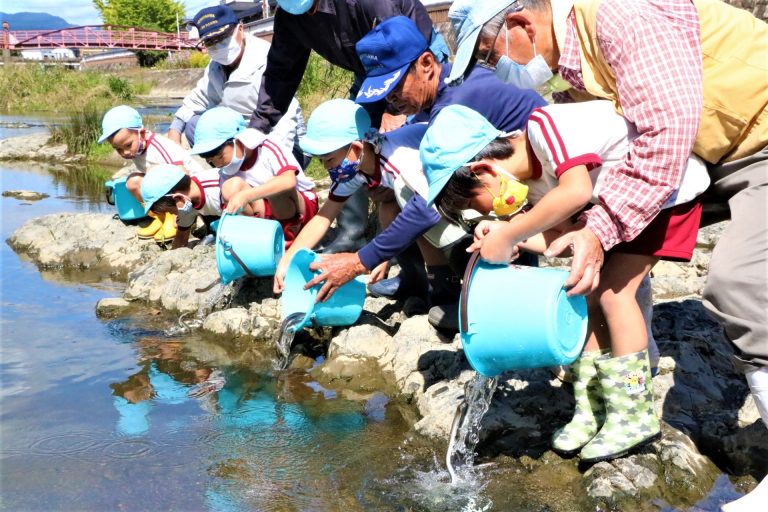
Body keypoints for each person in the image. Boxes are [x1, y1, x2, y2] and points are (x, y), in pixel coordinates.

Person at [447, 0, 768, 482]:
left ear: (520, 24)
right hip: (698, 162)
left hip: (728, 155)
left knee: (714, 285)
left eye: (491, 56)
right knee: (592, 290)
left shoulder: (617, 16)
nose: (495, 71)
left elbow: (664, 134)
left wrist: (575, 229)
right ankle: (599, 405)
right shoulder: (575, 77)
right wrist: (517, 238)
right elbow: (563, 228)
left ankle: (633, 410)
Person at [422, 102, 710, 462]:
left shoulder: (545, 127)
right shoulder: (531, 188)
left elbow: (574, 192)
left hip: (665, 195)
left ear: (482, 169)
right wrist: (508, 236)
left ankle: (634, 412)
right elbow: (559, 239)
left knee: (614, 294)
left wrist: (509, 233)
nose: (485, 211)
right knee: (582, 290)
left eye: (475, 201)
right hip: (616, 213)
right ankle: (593, 407)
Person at [344, 14, 546, 328]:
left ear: (426, 63)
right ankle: (456, 285)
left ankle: (504, 293)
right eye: (386, 94)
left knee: (425, 192)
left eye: (396, 87)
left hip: (547, 186)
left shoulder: (455, 105)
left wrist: (360, 261)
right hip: (528, 186)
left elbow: (426, 208)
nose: (393, 100)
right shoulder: (454, 83)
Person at [250, 0, 451, 255]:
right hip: (370, 74)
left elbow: (399, 37)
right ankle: (353, 233)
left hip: (413, 63)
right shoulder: (290, 17)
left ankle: (424, 247)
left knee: (415, 153)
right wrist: (258, 127)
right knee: (350, 141)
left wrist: (392, 111)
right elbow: (281, 71)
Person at [273, 98, 466, 311]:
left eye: (328, 159)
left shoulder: (397, 160)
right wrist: (288, 259)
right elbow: (323, 217)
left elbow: (426, 211)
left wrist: (365, 260)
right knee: (389, 208)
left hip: (464, 196)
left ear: (356, 148)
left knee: (408, 205)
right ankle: (415, 281)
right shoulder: (358, 165)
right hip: (431, 198)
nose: (327, 167)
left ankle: (445, 289)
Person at [168, 4, 303, 164]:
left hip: (282, 143)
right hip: (240, 136)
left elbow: (284, 121)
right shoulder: (215, 66)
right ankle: (230, 170)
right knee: (193, 126)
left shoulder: (268, 60)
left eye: (223, 38)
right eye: (211, 42)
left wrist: (272, 165)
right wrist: (174, 131)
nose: (218, 46)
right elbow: (197, 100)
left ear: (240, 29)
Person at [190, 106, 318, 247]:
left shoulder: (267, 147)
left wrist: (246, 196)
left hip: (301, 208)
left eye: (220, 157)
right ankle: (260, 237)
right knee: (230, 188)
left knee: (275, 185)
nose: (218, 164)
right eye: (211, 162)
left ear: (238, 140)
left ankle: (289, 237)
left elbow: (288, 181)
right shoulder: (226, 172)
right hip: (269, 215)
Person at [98, 105, 203, 242]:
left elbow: (181, 175)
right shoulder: (137, 151)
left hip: (190, 190)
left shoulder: (158, 147)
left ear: (141, 133)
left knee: (161, 181)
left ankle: (175, 219)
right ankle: (160, 218)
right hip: (168, 192)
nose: (125, 153)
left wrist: (182, 213)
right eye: (119, 150)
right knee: (132, 182)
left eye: (128, 145)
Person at [139, 164, 223, 250]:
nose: (173, 217)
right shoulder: (187, 203)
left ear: (178, 198)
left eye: (170, 212)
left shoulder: (220, 189)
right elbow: (180, 243)